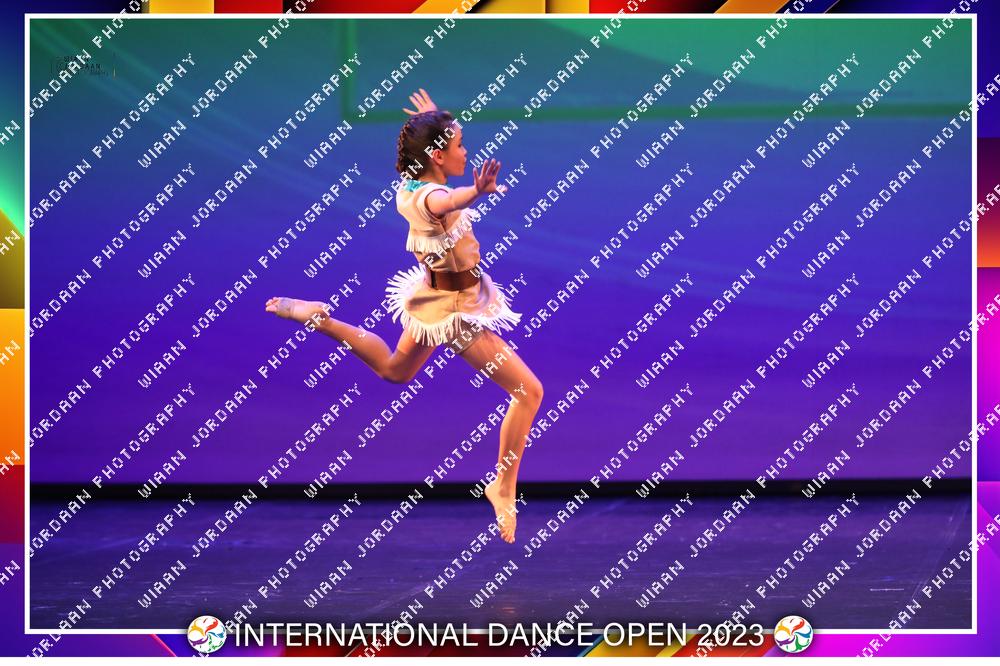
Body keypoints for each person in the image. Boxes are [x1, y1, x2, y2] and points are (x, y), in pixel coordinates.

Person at [265, 89, 543, 543]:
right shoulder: (430, 197)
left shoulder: (412, 186)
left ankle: (322, 319)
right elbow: (446, 201)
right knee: (528, 392)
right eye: (459, 145)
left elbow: (438, 184)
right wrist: (476, 191)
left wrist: (432, 120)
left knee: (395, 370)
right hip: (454, 311)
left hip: (434, 297)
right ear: (437, 156)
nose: (466, 152)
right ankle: (503, 488)